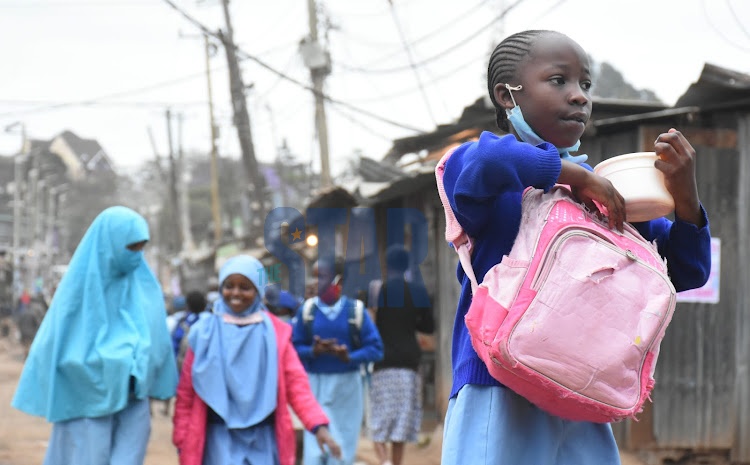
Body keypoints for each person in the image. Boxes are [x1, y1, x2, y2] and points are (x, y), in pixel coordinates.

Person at [439, 30, 712, 465]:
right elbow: (489, 162)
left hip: (579, 394)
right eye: (558, 80)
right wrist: (575, 176)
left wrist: (686, 199)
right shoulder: (479, 171)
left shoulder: (607, 199)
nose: (579, 96)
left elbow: (686, 270)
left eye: (585, 85)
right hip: (498, 386)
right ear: (507, 96)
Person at [11, 206, 178, 465]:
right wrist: (101, 365)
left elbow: (158, 342)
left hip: (134, 400)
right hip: (86, 402)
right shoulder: (79, 289)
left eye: (141, 247)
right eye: (131, 247)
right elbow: (54, 345)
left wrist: (140, 366)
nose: (136, 256)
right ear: (110, 244)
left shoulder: (146, 287)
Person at [172, 254, 341, 465]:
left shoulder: (276, 334)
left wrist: (318, 425)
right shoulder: (202, 334)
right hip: (218, 442)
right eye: (229, 286)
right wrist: (182, 439)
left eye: (245, 287)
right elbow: (186, 394)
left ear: (259, 292)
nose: (236, 293)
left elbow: (297, 385)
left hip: (263, 441)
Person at [292, 258, 384, 465]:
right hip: (315, 387)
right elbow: (293, 349)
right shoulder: (307, 312)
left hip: (347, 389)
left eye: (321, 277)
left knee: (342, 450)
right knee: (315, 452)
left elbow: (376, 349)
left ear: (339, 280)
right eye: (314, 276)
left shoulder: (355, 311)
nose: (315, 282)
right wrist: (313, 351)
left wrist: (349, 357)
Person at [369, 245, 434, 465]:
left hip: (382, 362)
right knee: (401, 423)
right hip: (408, 363)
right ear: (407, 266)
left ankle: (384, 461)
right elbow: (429, 326)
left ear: (386, 266)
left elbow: (369, 325)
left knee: (378, 419)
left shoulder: (377, 291)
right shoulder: (417, 291)